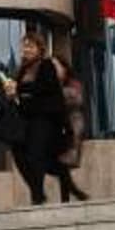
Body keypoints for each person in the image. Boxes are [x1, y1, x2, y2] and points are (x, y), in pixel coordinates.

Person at [3, 33, 65, 205]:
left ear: (40, 48)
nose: (26, 49)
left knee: (35, 155)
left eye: (30, 46)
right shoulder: (21, 70)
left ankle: (37, 196)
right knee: (18, 152)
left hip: (44, 118)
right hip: (25, 118)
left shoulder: (46, 65)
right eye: (24, 46)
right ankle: (37, 190)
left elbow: (44, 88)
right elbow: (19, 95)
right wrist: (10, 93)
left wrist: (20, 88)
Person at [51, 55, 89, 203]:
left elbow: (76, 99)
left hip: (72, 127)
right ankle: (74, 194)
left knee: (63, 163)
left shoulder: (73, 84)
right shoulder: (50, 85)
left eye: (56, 66)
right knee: (61, 165)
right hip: (56, 128)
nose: (53, 70)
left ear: (64, 68)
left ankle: (70, 197)